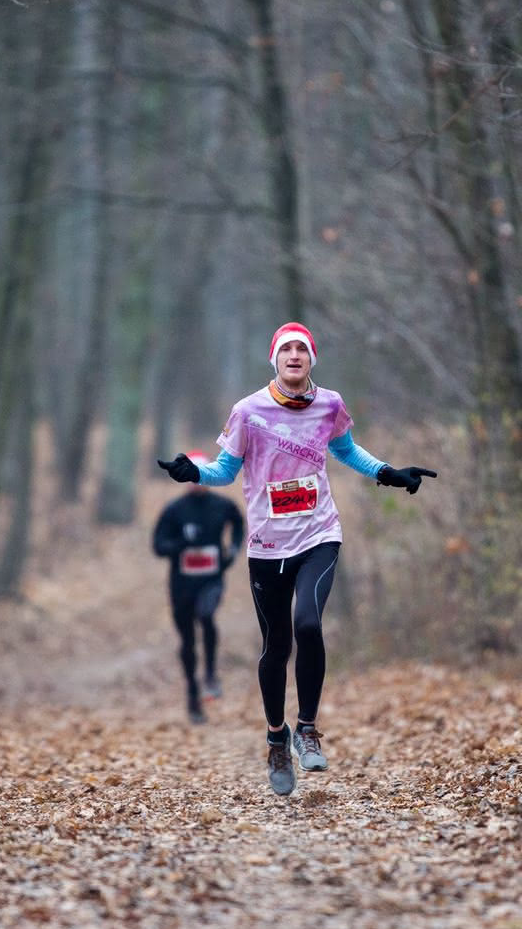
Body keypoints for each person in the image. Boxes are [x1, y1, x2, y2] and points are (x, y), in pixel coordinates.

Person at [158, 322, 435, 795]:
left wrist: (388, 472)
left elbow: (347, 450)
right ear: (274, 358)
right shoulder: (248, 411)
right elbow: (225, 470)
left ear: (311, 359)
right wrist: (192, 472)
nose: (293, 355)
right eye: (285, 348)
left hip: (318, 534)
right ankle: (276, 738)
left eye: (301, 349)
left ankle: (307, 728)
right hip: (267, 544)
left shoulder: (330, 404)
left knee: (308, 624)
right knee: (277, 645)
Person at [151, 454, 245, 725]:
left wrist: (234, 549)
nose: (195, 482)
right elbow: (158, 546)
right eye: (190, 476)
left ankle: (211, 674)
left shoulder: (223, 505)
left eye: (199, 474)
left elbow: (238, 523)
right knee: (188, 642)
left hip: (211, 579)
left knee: (207, 616)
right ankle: (193, 695)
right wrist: (179, 546)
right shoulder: (174, 510)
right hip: (182, 585)